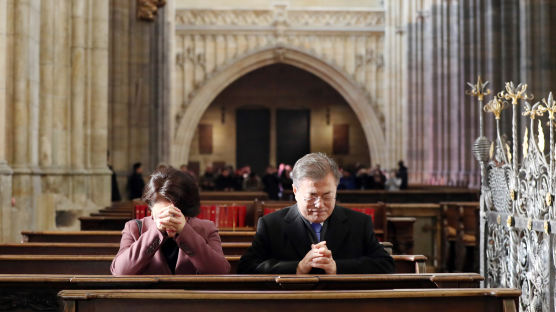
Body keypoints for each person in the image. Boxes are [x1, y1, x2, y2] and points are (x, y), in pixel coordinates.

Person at [237, 153, 394, 274]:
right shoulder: (271, 224)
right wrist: (297, 268)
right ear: (295, 191)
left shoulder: (360, 223)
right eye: (311, 196)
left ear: (337, 190)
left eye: (327, 196)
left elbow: (386, 265)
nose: (319, 205)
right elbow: (246, 267)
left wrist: (337, 268)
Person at [111, 165, 230, 275]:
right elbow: (120, 272)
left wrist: (185, 232)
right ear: (151, 209)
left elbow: (220, 271)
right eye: (163, 213)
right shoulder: (134, 228)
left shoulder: (206, 228)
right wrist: (156, 232)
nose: (169, 218)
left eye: (176, 213)